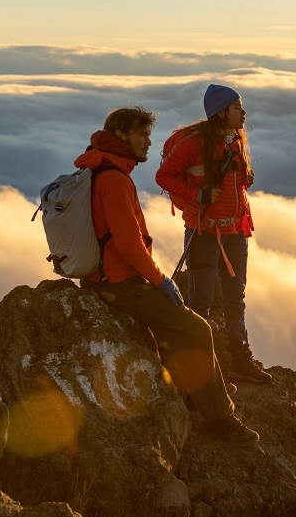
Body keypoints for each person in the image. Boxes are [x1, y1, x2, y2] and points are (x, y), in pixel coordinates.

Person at [76, 105, 259, 444]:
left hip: (112, 277)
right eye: (141, 135)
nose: (148, 142)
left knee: (180, 327)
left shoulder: (101, 167)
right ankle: (220, 420)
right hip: (121, 283)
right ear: (120, 136)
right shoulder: (114, 180)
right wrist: (160, 280)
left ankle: (198, 391)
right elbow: (129, 245)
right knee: (196, 328)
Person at [156, 84, 273, 384]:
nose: (243, 112)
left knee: (236, 298)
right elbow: (164, 176)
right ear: (222, 113)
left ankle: (238, 359)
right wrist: (199, 195)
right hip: (204, 230)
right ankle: (200, 370)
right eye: (237, 107)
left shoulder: (233, 140)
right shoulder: (194, 144)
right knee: (200, 302)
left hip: (235, 229)